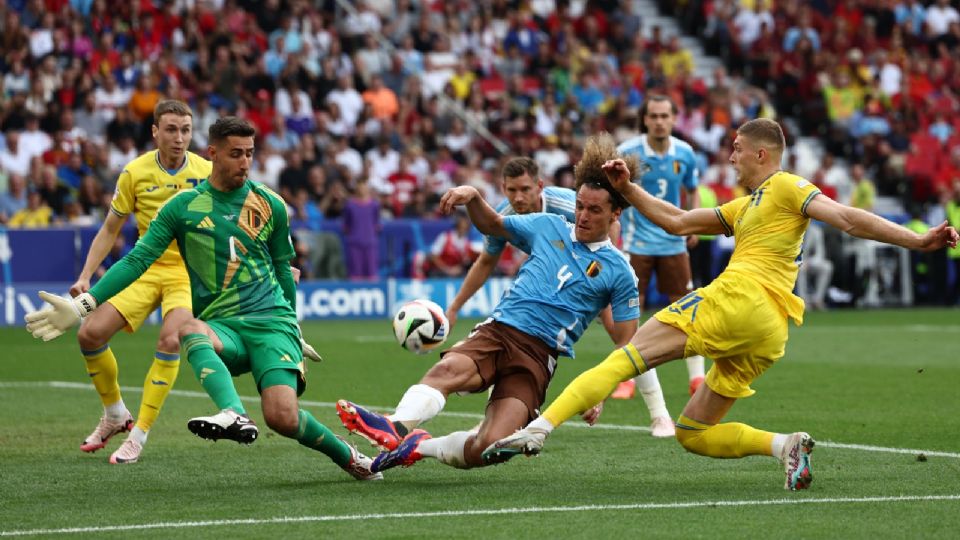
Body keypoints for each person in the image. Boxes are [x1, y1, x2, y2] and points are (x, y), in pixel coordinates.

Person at [485, 119, 958, 490]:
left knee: (625, 357)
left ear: (760, 153)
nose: (729, 155)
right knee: (693, 431)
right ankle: (785, 446)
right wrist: (626, 189)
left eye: (736, 147)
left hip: (739, 298)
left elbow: (845, 217)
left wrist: (916, 240)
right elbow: (676, 220)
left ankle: (539, 428)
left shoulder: (787, 186)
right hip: (770, 330)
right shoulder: (747, 205)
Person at [25, 117, 381, 481]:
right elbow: (136, 259)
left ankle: (348, 456)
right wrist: (84, 304)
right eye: (236, 154)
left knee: (282, 418)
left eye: (250, 154)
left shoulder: (270, 204)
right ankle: (233, 412)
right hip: (224, 327)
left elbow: (284, 270)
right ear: (212, 154)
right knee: (189, 329)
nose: (245, 162)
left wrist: (294, 328)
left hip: (271, 324)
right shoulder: (182, 208)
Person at [336, 135, 642, 472]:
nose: (582, 215)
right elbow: (494, 225)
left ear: (616, 212)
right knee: (449, 371)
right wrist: (474, 198)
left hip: (538, 358)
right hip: (501, 331)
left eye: (594, 210)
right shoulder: (548, 225)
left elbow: (626, 341)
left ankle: (418, 447)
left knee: (491, 447)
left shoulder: (620, 272)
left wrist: (599, 390)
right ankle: (396, 425)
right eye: (580, 206)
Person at [62, 100, 211, 464]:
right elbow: (110, 228)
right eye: (172, 130)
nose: (180, 138)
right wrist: (85, 276)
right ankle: (115, 414)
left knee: (171, 338)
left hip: (186, 274)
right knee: (89, 334)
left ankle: (139, 435)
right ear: (155, 132)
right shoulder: (135, 173)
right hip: (144, 269)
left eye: (186, 130)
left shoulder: (207, 172)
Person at [609, 95, 706, 441]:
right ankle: (626, 377)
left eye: (666, 115)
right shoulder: (628, 151)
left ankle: (696, 375)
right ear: (645, 119)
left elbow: (692, 191)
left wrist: (691, 222)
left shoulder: (685, 152)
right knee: (628, 310)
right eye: (654, 116)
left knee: (687, 307)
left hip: (673, 242)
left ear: (674, 118)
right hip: (637, 243)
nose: (660, 121)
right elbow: (614, 194)